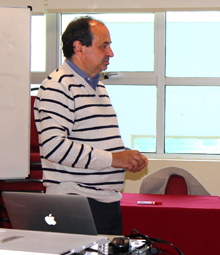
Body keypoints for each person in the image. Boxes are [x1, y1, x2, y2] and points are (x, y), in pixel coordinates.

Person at [34, 16, 148, 235]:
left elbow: (94, 140)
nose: (110, 53)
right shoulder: (58, 86)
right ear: (79, 48)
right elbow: (53, 147)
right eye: (104, 45)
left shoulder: (98, 86)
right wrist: (114, 159)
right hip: (77, 203)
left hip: (104, 201)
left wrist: (125, 157)